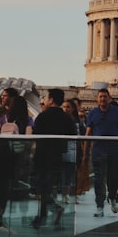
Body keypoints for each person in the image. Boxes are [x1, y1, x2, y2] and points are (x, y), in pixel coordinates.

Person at [31, 88, 75, 229]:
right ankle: (46, 213)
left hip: (42, 155)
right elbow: (72, 135)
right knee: (48, 187)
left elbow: (35, 133)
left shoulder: (43, 116)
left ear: (51, 100)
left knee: (42, 187)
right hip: (57, 156)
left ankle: (48, 212)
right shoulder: (66, 118)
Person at [85, 88, 118, 217]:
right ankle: (100, 206)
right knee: (98, 179)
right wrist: (85, 150)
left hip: (114, 150)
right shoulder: (92, 113)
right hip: (98, 149)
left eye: (105, 96)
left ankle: (112, 198)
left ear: (109, 98)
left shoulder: (117, 111)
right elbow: (88, 132)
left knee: (113, 177)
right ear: (97, 99)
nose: (103, 99)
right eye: (100, 97)